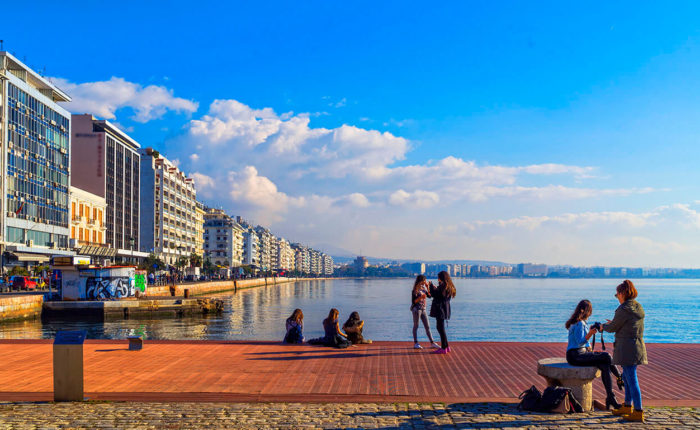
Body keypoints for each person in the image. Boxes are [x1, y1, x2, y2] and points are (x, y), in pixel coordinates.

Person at [602, 280, 647, 423]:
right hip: (636, 346)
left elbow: (613, 327)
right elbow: (627, 325)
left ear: (622, 294)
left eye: (617, 295)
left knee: (631, 379)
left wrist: (603, 326)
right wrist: (613, 324)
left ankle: (638, 411)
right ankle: (628, 406)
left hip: (627, 348)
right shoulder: (637, 307)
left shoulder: (623, 309)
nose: (617, 297)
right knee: (627, 377)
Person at [565, 299, 622, 410]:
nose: (590, 313)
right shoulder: (579, 323)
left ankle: (611, 398)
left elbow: (582, 343)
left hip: (579, 354)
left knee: (605, 365)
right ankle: (620, 378)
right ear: (586, 311)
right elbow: (580, 341)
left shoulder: (581, 323)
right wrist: (590, 333)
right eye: (590, 311)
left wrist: (591, 348)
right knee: (606, 356)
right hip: (575, 355)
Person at [429, 271, 456, 354]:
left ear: (441, 278)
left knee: (440, 328)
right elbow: (439, 294)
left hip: (440, 309)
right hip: (445, 309)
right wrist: (434, 288)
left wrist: (430, 286)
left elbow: (435, 294)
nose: (438, 279)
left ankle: (444, 348)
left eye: (438, 277)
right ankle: (446, 346)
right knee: (441, 328)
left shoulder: (443, 286)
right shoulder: (449, 286)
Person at [411, 275, 440, 349]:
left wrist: (427, 287)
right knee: (416, 326)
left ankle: (432, 342)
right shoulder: (415, 290)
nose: (425, 282)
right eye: (425, 280)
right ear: (421, 281)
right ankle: (416, 343)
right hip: (417, 309)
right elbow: (414, 301)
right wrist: (420, 297)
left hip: (423, 309)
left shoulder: (423, 288)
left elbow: (430, 296)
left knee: (427, 326)